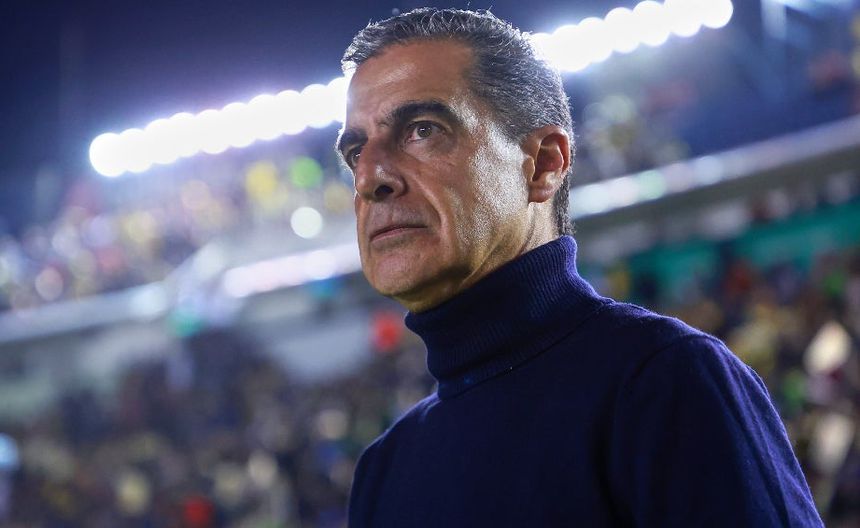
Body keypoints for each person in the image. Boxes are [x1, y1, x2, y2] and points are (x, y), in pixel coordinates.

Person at [336, 7, 823, 527]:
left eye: (422, 130)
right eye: (356, 152)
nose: (369, 178)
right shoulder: (385, 470)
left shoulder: (663, 382)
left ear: (544, 164)